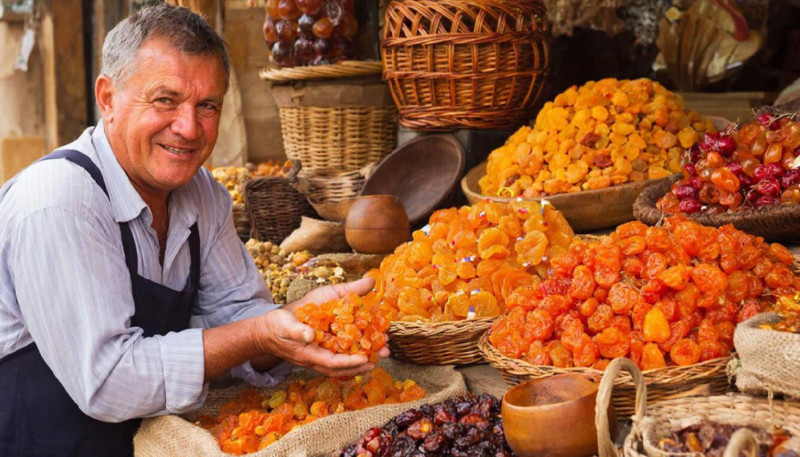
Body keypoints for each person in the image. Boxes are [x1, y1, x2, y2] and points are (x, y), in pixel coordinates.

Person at [0, 4, 386, 456]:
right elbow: (108, 381)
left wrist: (299, 323)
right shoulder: (59, 200)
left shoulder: (202, 194)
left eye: (207, 106)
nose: (188, 128)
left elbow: (239, 317)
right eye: (165, 100)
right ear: (108, 98)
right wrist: (258, 334)